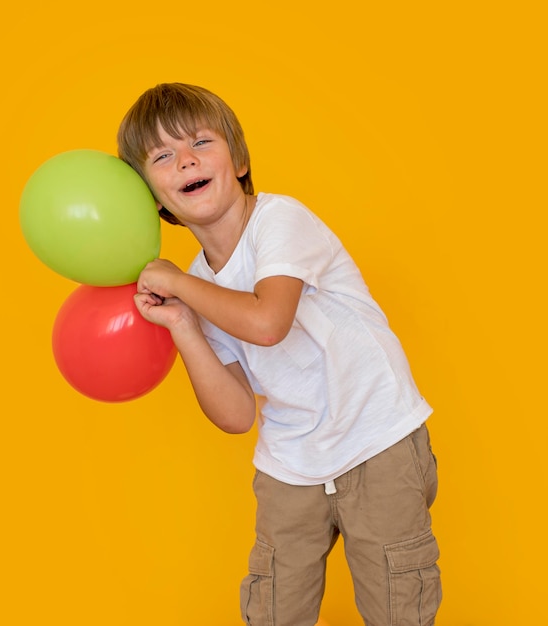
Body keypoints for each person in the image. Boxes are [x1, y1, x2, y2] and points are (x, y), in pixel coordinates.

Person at [117, 82, 441, 626]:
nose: (186, 160)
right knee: (273, 610)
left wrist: (182, 287)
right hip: (292, 464)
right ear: (151, 195)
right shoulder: (197, 287)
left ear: (239, 160)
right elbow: (237, 415)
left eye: (201, 142)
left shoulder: (280, 220)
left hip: (376, 442)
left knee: (397, 608)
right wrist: (182, 324)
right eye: (163, 156)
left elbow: (268, 323)